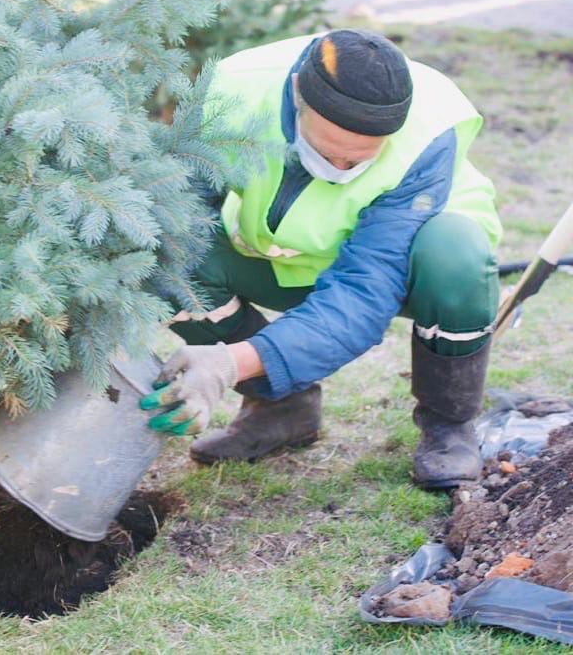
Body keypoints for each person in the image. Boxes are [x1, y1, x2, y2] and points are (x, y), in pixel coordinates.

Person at [140, 29, 502, 490]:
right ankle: (283, 410)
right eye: (333, 153)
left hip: (412, 262)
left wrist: (230, 362)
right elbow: (175, 216)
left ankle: (449, 427)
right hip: (288, 253)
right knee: (167, 257)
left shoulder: (427, 133)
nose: (343, 171)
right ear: (297, 98)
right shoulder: (231, 93)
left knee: (457, 256)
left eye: (361, 161)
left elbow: (366, 290)